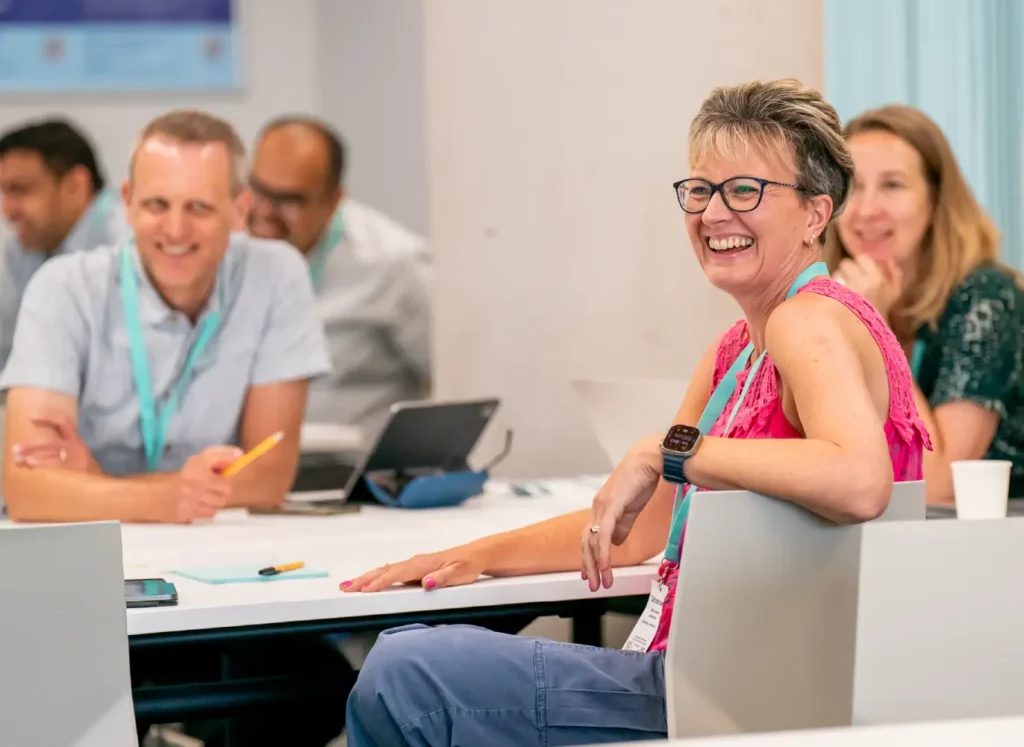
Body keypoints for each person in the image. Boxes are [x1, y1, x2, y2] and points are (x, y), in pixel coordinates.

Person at [339, 79, 930, 746]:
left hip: (744, 695)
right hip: (721, 678)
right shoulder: (737, 347)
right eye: (701, 190)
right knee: (414, 656)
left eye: (745, 191)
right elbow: (644, 525)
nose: (712, 213)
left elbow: (859, 479)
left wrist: (668, 449)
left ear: (816, 212)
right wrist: (472, 555)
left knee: (406, 669)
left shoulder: (807, 320)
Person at [0, 110, 331, 523]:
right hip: (91, 547)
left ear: (239, 210)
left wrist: (95, 486)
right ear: (127, 202)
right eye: (157, 204)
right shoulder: (63, 288)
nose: (175, 230)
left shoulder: (276, 274)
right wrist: (167, 498)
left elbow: (267, 479)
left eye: (199, 207)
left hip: (216, 547)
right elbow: (28, 492)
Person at [826, 104, 1024, 504]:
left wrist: (875, 328)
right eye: (853, 187)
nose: (866, 210)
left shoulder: (987, 297)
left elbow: (937, 486)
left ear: (936, 201)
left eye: (893, 185)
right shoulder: (832, 295)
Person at [248, 116, 431, 438]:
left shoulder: (392, 263)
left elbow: (454, 374)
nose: (264, 212)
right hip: (246, 466)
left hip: (351, 471)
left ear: (333, 201)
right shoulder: (227, 247)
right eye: (258, 190)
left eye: (288, 199)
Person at [0, 118, 129, 373]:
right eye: (3, 192)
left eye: (20, 190)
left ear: (75, 186)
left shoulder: (131, 242)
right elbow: (12, 351)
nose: (7, 210)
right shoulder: (24, 248)